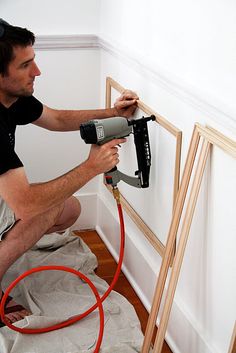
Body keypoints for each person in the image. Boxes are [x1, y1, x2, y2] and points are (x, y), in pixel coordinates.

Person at [0, 19, 138, 326]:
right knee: (39, 209)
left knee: (67, 208)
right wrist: (91, 167)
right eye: (25, 65)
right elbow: (25, 204)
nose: (37, 72)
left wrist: (112, 113)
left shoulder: (11, 98)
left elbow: (58, 119)